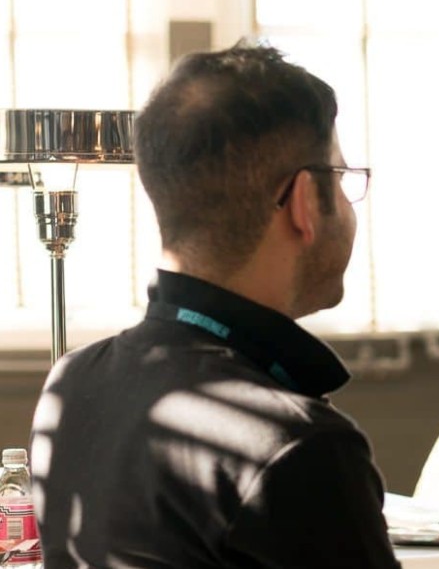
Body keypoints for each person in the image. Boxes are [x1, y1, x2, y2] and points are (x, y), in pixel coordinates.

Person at [29, 43, 397, 568]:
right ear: (301, 202)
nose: (347, 204)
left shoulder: (72, 383)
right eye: (340, 179)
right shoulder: (297, 448)